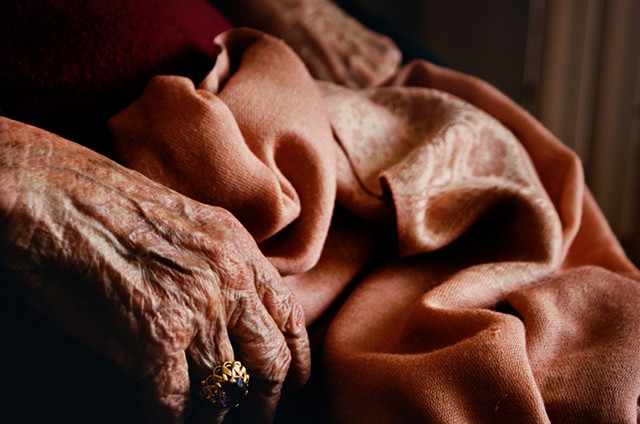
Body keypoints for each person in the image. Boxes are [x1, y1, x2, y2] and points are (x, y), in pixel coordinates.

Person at [2, 1, 639, 424]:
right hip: (77, 243)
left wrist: (289, 6)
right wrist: (22, 175)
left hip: (278, 98)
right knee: (226, 382)